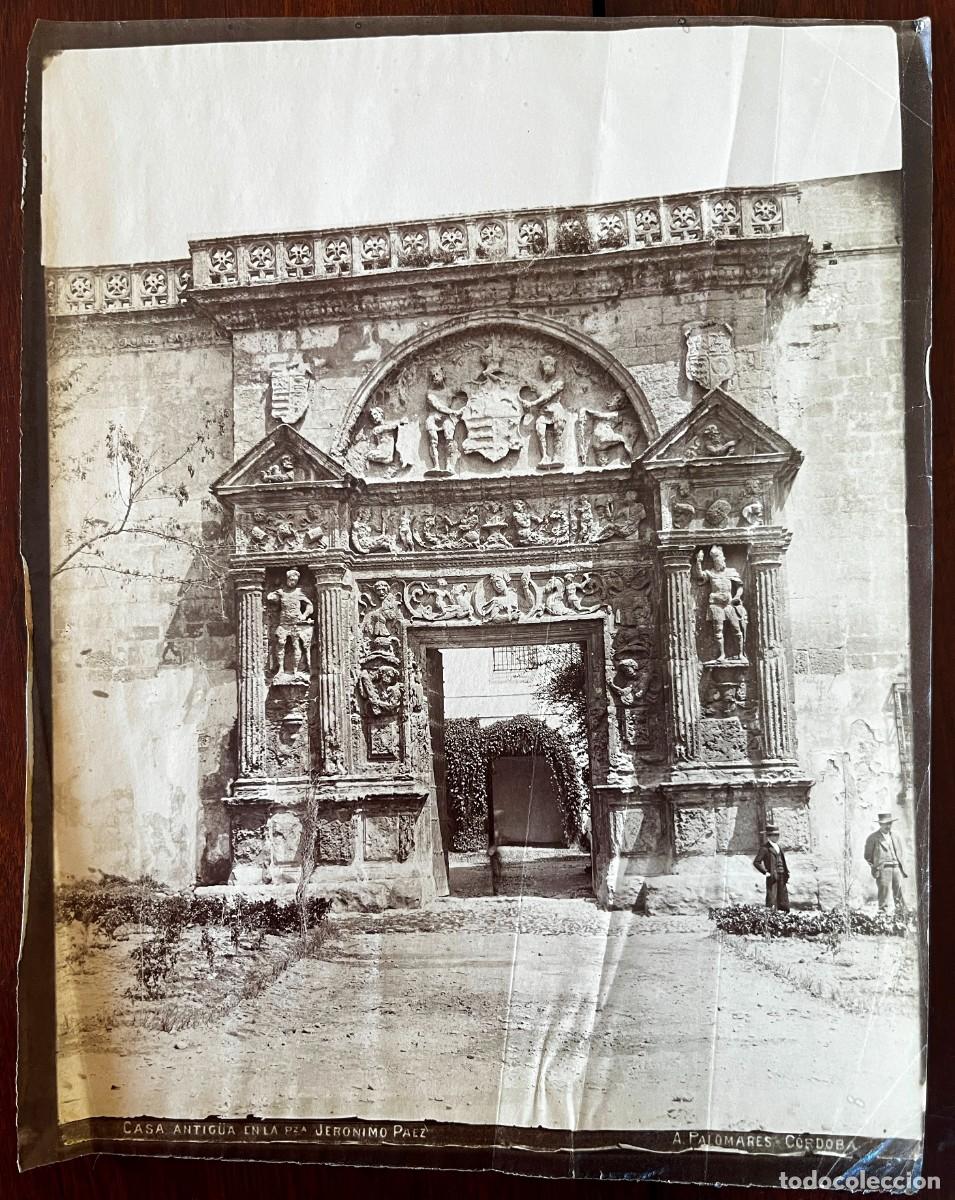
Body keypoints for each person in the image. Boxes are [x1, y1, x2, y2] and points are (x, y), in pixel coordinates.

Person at [863, 812, 907, 914]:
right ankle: (883, 918)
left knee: (899, 893)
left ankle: (901, 916)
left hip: (896, 868)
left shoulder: (896, 836)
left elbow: (900, 852)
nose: (888, 826)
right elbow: (867, 856)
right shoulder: (873, 838)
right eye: (885, 824)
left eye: (890, 823)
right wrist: (876, 867)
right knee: (884, 895)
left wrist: (899, 865)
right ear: (880, 824)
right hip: (883, 869)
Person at [752, 822, 790, 911]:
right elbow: (756, 862)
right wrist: (766, 872)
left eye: (778, 835)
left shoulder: (779, 847)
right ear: (769, 836)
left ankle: (784, 916)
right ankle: (771, 917)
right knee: (772, 897)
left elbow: (783, 861)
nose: (777, 837)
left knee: (783, 896)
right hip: (772, 876)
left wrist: (786, 873)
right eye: (774, 835)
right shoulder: (765, 848)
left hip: (782, 875)